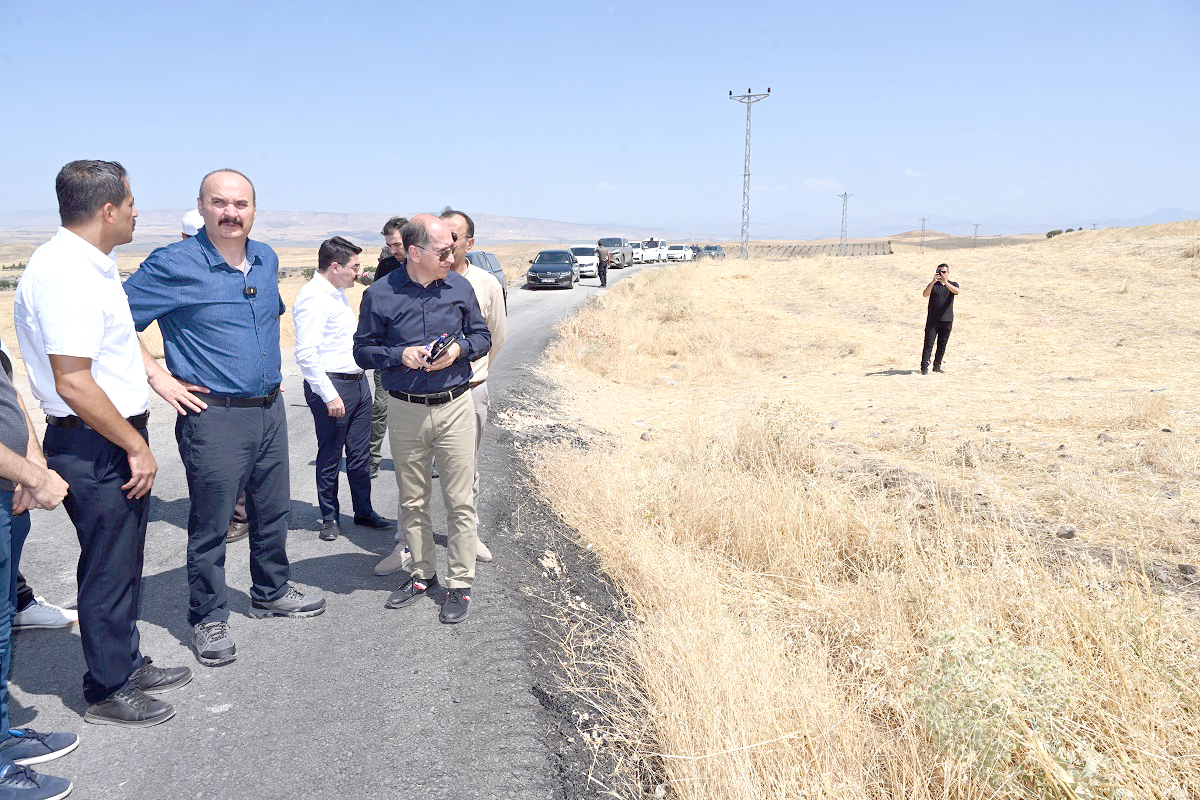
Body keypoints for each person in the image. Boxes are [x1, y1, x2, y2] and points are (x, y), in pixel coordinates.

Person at [14, 160, 192, 728]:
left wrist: (154, 381)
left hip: (107, 435)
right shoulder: (65, 273)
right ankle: (107, 689)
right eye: (133, 201)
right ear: (108, 209)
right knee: (108, 567)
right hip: (93, 442)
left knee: (122, 561)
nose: (140, 212)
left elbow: (114, 345)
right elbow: (73, 379)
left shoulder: (94, 264)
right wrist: (135, 447)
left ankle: (125, 662)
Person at [124, 168, 326, 668]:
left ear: (254, 210)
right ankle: (208, 616)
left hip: (269, 409)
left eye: (241, 204)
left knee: (272, 508)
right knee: (212, 523)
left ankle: (271, 589)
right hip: (213, 415)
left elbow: (267, 316)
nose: (231, 212)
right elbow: (113, 323)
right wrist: (159, 378)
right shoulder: (174, 264)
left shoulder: (266, 258)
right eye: (220, 203)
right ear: (202, 206)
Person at [353, 214, 490, 624]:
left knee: (460, 500)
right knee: (412, 499)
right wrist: (401, 355)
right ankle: (421, 574)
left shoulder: (461, 287)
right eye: (444, 250)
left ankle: (460, 584)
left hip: (455, 406)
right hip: (405, 409)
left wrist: (459, 351)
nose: (452, 255)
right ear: (415, 253)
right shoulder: (379, 295)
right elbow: (362, 352)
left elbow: (481, 336)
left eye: (453, 247)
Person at [0, 335, 77, 798]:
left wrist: (34, 462)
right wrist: (34, 477)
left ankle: (3, 741)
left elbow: (7, 392)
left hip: (8, 489)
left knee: (2, 627)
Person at [293, 236, 392, 540]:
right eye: (354, 266)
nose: (358, 272)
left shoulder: (336, 293)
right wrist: (329, 394)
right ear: (335, 266)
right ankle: (329, 517)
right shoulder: (313, 297)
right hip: (333, 386)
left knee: (360, 455)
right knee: (331, 455)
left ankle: (363, 511)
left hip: (358, 384)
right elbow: (306, 354)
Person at [440, 208, 506, 563]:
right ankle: (405, 541)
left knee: (467, 467)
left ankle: (467, 536)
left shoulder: (486, 283)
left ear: (469, 242)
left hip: (470, 389)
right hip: (422, 394)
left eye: (454, 236)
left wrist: (476, 372)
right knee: (415, 471)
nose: (447, 244)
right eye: (441, 235)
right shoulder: (421, 277)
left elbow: (497, 335)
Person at [368, 216, 408, 479]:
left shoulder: (429, 264)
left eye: (397, 244)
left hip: (424, 354)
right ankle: (372, 458)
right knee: (381, 407)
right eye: (389, 245)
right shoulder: (386, 267)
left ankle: (430, 458)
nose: (394, 250)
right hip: (389, 352)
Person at [920, 263, 961, 375]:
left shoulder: (952, 284)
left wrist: (945, 282)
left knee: (942, 344)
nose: (941, 274)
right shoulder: (933, 285)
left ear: (948, 273)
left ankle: (937, 366)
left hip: (947, 321)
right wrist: (933, 281)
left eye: (944, 272)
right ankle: (924, 367)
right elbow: (925, 294)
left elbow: (956, 291)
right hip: (932, 321)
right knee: (928, 344)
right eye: (939, 271)